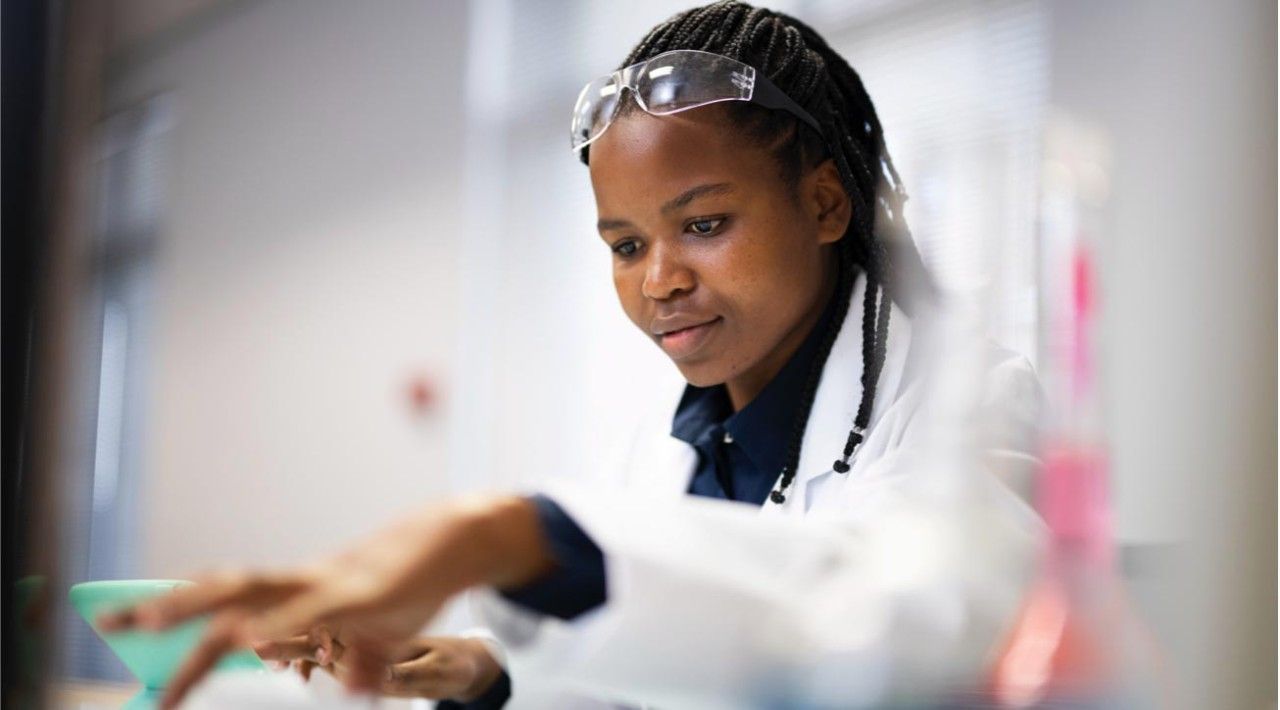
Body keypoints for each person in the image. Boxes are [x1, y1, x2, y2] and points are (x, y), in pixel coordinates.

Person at [100, 2, 1043, 708]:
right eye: (625, 245)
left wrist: (511, 537)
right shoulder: (666, 445)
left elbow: (926, 617)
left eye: (705, 223)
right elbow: (653, 668)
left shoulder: (975, 398)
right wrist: (483, 670)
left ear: (828, 204)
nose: (658, 279)